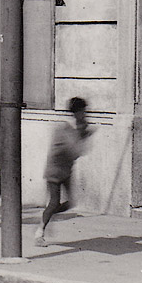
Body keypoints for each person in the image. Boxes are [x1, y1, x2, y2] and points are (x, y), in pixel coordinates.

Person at [34, 97, 93, 247]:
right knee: (54, 203)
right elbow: (76, 150)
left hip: (66, 170)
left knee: (70, 203)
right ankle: (39, 233)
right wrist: (84, 135)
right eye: (82, 111)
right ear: (76, 112)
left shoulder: (77, 127)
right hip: (54, 170)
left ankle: (46, 218)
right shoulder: (65, 129)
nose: (84, 114)